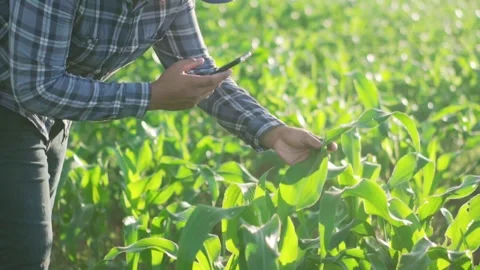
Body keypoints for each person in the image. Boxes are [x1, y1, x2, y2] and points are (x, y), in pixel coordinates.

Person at [0, 0, 337, 268]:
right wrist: (151, 96)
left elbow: (203, 77)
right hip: (10, 102)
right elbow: (37, 86)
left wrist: (273, 132)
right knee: (24, 253)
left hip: (51, 115)